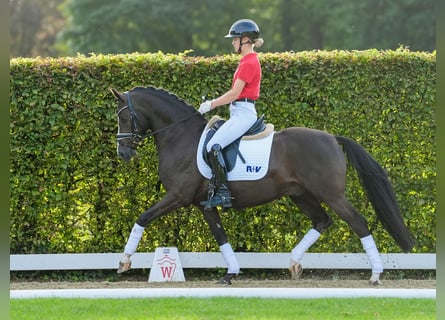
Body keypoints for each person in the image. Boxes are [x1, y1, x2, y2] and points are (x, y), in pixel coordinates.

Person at [199, 19, 264, 209]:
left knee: (214, 146)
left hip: (243, 113)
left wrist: (211, 104)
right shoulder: (246, 61)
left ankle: (224, 194)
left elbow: (235, 94)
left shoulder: (249, 62)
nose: (233, 42)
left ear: (245, 39)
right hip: (238, 112)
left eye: (235, 39)